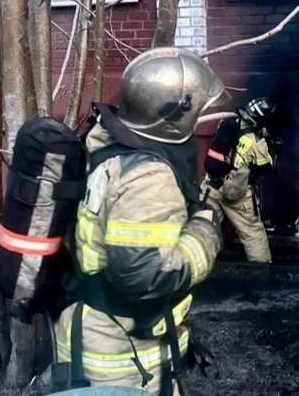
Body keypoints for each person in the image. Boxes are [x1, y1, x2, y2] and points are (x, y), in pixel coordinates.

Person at [54, 47, 227, 395]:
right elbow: (146, 276)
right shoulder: (147, 177)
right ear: (173, 118)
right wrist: (206, 229)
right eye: (197, 113)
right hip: (122, 355)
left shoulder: (106, 141)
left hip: (96, 332)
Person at [200, 97, 280, 263]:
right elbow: (264, 167)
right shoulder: (257, 142)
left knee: (203, 228)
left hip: (211, 187)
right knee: (253, 233)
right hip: (235, 194)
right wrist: (273, 151)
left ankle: (197, 266)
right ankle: (261, 274)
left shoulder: (226, 123)